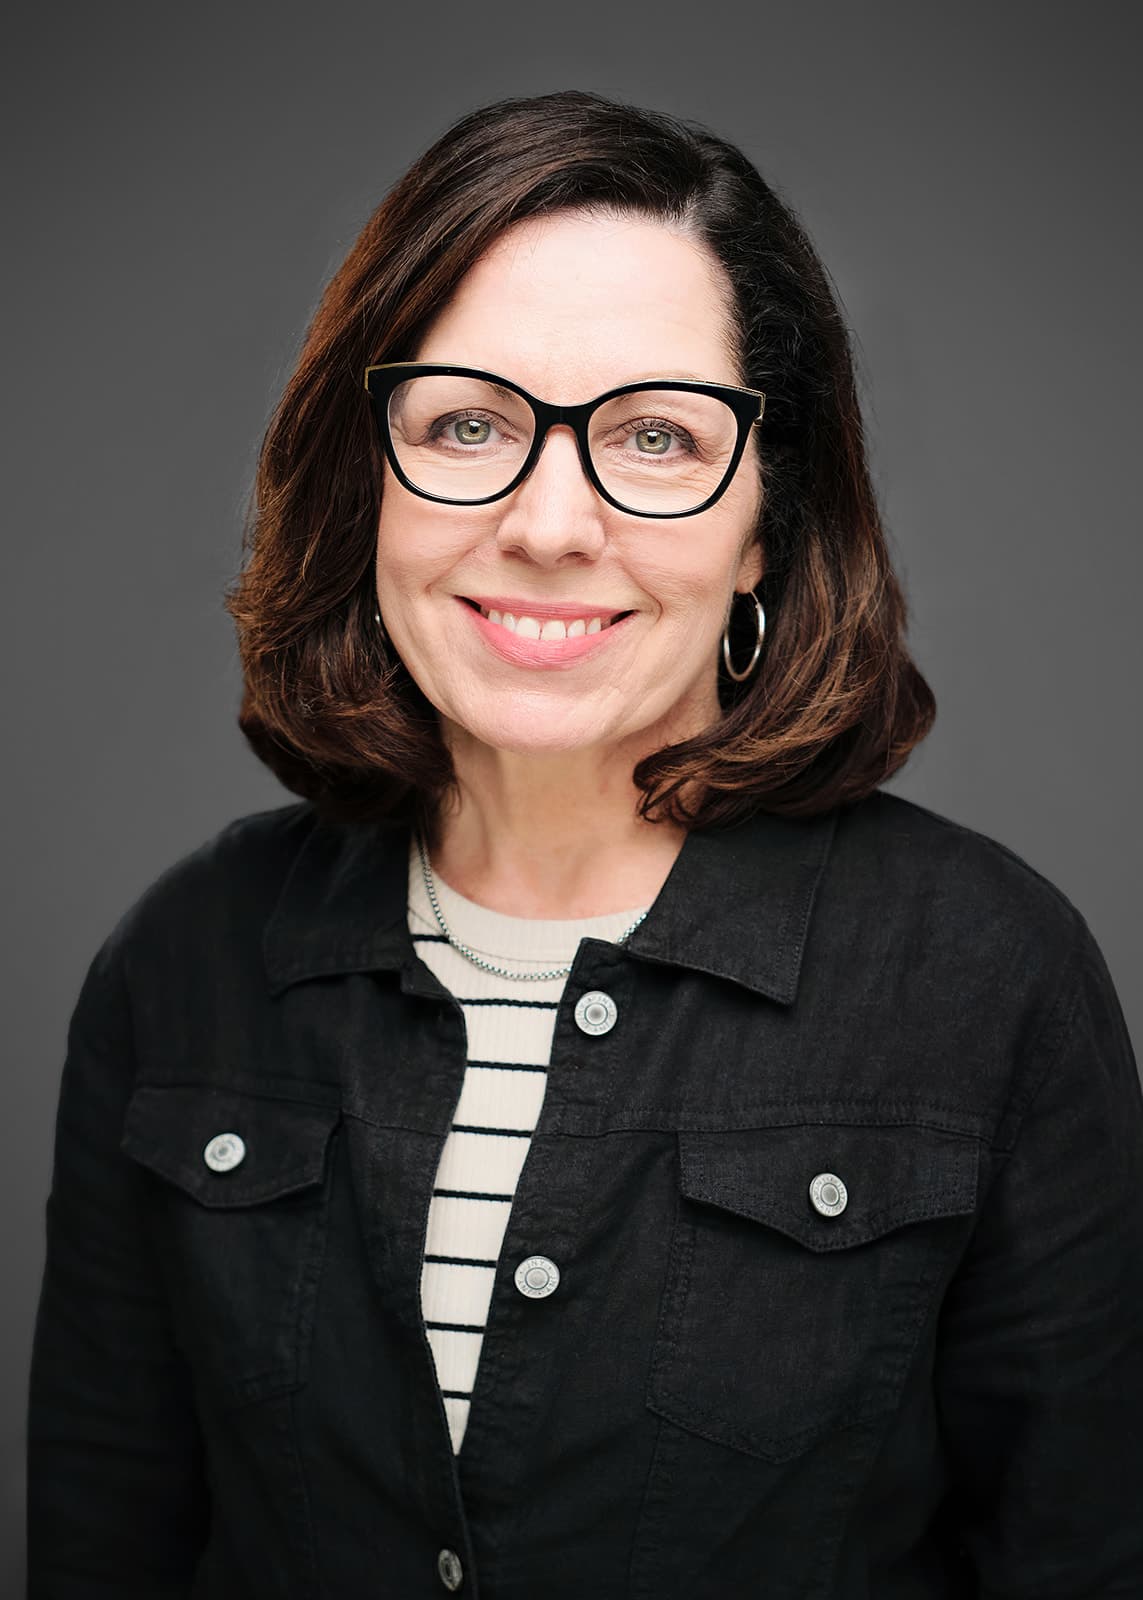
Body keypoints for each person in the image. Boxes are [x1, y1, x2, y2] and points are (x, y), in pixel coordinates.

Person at [26, 88, 1143, 1599]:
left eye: (657, 438)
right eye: (470, 423)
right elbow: (107, 1545)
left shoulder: (987, 977)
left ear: (766, 522)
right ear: (370, 481)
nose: (552, 523)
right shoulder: (184, 962)